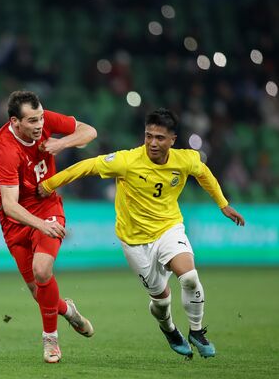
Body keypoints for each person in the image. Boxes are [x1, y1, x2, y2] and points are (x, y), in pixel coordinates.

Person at [38, 108, 245, 359]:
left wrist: (223, 204)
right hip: (134, 241)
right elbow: (87, 166)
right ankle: (169, 329)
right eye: (148, 136)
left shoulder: (186, 159)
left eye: (159, 138)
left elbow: (204, 174)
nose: (153, 143)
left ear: (172, 140)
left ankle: (197, 331)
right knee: (161, 299)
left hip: (169, 228)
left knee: (189, 276)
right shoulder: (127, 161)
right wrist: (49, 184)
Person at [0, 90, 97, 363]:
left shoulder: (45, 121)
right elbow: (10, 205)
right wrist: (40, 225)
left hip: (48, 205)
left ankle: (50, 341)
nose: (39, 125)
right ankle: (68, 311)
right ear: (15, 122)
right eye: (32, 121)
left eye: (40, 118)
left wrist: (61, 144)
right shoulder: (6, 148)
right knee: (38, 292)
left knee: (42, 269)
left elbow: (89, 132)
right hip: (16, 218)